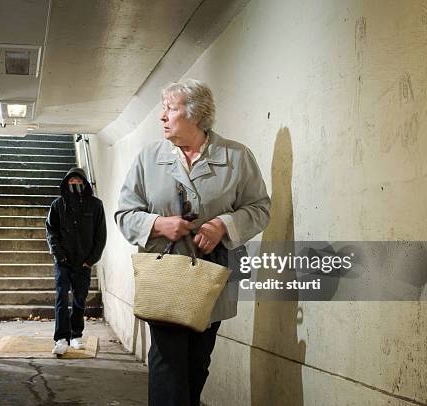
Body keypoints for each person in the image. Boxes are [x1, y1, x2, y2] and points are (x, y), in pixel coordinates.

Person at [115, 78, 271, 406]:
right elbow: (125, 214)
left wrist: (223, 225)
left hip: (212, 277)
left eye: (170, 109)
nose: (162, 116)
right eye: (163, 109)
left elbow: (260, 209)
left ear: (196, 115)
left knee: (197, 364)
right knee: (167, 363)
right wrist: (158, 224)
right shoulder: (148, 158)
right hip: (165, 278)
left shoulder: (237, 157)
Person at [46, 167, 107, 355]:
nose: (75, 184)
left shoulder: (96, 205)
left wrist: (91, 260)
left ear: (85, 183)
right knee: (61, 299)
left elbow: (101, 235)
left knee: (80, 299)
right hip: (63, 262)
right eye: (71, 182)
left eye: (78, 181)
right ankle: (61, 338)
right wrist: (59, 255)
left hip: (83, 263)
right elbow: (51, 232)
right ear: (66, 183)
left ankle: (76, 335)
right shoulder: (57, 205)